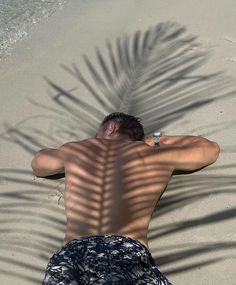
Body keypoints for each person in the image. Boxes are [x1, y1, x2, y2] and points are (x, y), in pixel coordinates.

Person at [31, 112, 220, 285]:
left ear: (111, 127)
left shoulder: (77, 150)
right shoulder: (158, 155)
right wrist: (157, 139)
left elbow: (39, 164)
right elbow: (210, 149)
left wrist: (76, 148)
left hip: (72, 256)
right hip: (123, 250)